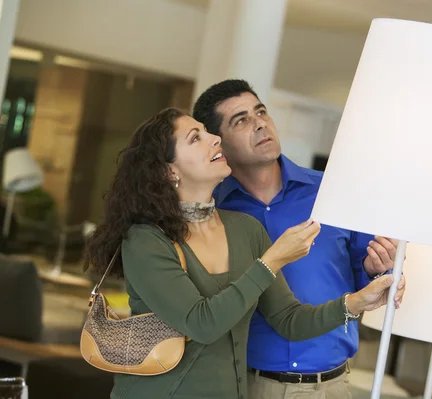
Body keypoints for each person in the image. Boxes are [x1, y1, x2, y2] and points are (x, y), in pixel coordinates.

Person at [84, 107, 406, 399]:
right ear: (169, 171)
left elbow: (289, 320)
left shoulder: (245, 228)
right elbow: (202, 323)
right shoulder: (145, 240)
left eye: (207, 132)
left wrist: (356, 303)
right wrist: (274, 259)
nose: (214, 139)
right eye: (196, 138)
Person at [193, 79, 401, 399]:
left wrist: (380, 271)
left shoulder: (335, 191)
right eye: (242, 120)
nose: (260, 123)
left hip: (329, 386)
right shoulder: (212, 210)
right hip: (241, 386)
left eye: (260, 111)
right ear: (218, 145)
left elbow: (369, 280)